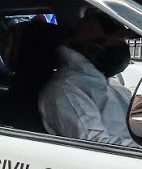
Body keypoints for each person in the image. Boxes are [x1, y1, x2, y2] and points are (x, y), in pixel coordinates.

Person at [38, 8, 136, 146]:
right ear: (94, 49)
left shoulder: (107, 81)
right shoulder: (66, 90)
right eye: (118, 41)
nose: (123, 47)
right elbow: (95, 145)